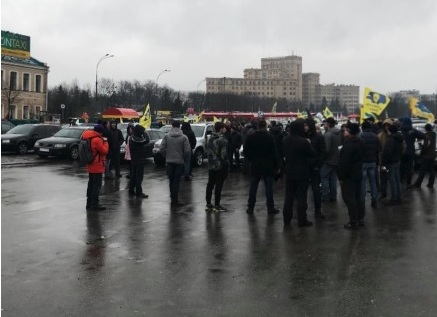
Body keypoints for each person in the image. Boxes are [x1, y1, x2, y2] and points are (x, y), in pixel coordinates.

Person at [282, 120, 315, 227]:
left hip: (289, 171)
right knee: (302, 197)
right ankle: (302, 220)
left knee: (289, 197)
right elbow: (312, 154)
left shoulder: (285, 140)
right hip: (302, 171)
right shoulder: (304, 141)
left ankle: (286, 219)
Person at [244, 120, 280, 215]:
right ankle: (270, 208)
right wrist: (277, 166)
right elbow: (274, 153)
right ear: (265, 126)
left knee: (253, 187)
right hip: (268, 166)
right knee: (268, 188)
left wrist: (251, 159)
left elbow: (245, 150)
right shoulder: (269, 138)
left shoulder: (251, 137)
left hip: (255, 165)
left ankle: (250, 207)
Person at [337, 123, 364, 229]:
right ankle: (359, 218)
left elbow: (344, 163)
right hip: (357, 173)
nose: (344, 131)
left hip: (349, 176)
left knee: (349, 198)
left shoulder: (349, 145)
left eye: (346, 130)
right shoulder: (359, 142)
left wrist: (341, 177)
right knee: (358, 197)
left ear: (351, 132)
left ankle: (353, 221)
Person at [160, 120, 191, 207]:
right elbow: (187, 151)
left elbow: (161, 149)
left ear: (172, 126)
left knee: (171, 180)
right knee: (177, 181)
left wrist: (166, 156)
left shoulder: (167, 136)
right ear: (179, 126)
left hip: (169, 162)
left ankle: (172, 198)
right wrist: (182, 157)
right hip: (179, 162)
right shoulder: (184, 137)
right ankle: (175, 200)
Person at [304, 118, 327, 219]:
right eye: (304, 125)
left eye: (306, 125)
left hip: (314, 167)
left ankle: (318, 210)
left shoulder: (319, 137)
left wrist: (318, 166)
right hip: (303, 167)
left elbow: (323, 153)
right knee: (302, 190)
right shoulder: (302, 136)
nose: (305, 127)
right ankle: (302, 211)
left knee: (316, 189)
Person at [83, 124, 109, 211]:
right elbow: (104, 151)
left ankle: (89, 203)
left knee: (91, 185)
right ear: (100, 132)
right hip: (97, 165)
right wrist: (105, 142)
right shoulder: (97, 140)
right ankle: (94, 204)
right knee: (96, 186)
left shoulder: (89, 138)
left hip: (91, 165)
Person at [205, 122, 229, 212]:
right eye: (224, 128)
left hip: (211, 165)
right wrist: (226, 164)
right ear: (221, 129)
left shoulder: (210, 138)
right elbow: (224, 155)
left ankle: (208, 204)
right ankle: (217, 205)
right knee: (219, 185)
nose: (225, 129)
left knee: (210, 184)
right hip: (220, 166)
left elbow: (207, 151)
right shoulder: (223, 140)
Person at [381, 125, 404, 205]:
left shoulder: (391, 140)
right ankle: (399, 197)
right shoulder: (399, 138)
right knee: (397, 179)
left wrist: (383, 163)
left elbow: (387, 152)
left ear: (390, 131)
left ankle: (394, 198)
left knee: (392, 180)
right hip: (397, 161)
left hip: (390, 162)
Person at [321, 117, 342, 202]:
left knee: (324, 177)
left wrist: (322, 157)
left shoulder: (328, 135)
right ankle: (333, 195)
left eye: (325, 123)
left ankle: (325, 196)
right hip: (336, 159)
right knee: (333, 178)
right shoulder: (338, 133)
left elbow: (327, 149)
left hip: (328, 160)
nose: (324, 125)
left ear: (328, 124)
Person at [400, 117, 425, 186]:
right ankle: (408, 182)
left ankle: (401, 179)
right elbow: (423, 135)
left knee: (401, 166)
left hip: (402, 152)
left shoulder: (400, 130)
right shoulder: (413, 131)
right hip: (410, 151)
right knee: (409, 167)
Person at [359, 120, 379, 209]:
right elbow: (378, 149)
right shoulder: (375, 136)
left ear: (362, 128)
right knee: (373, 181)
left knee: (362, 182)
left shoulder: (360, 136)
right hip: (372, 161)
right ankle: (374, 199)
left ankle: (362, 201)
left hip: (363, 162)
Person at [411, 123, 436, 189]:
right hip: (432, 155)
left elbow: (426, 146)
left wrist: (422, 148)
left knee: (422, 170)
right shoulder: (434, 134)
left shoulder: (427, 136)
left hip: (426, 156)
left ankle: (418, 184)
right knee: (431, 169)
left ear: (425, 129)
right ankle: (431, 183)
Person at [128, 125, 150, 198]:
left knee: (134, 176)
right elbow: (146, 140)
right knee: (138, 177)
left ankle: (131, 190)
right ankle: (138, 192)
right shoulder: (135, 138)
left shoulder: (133, 137)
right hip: (138, 159)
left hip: (135, 159)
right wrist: (145, 133)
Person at [377, 119, 393, 200]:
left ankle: (392, 194)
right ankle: (383, 193)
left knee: (392, 178)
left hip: (392, 161)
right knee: (383, 177)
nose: (387, 127)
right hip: (383, 162)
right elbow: (378, 148)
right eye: (385, 126)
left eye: (388, 126)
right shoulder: (380, 136)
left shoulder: (394, 135)